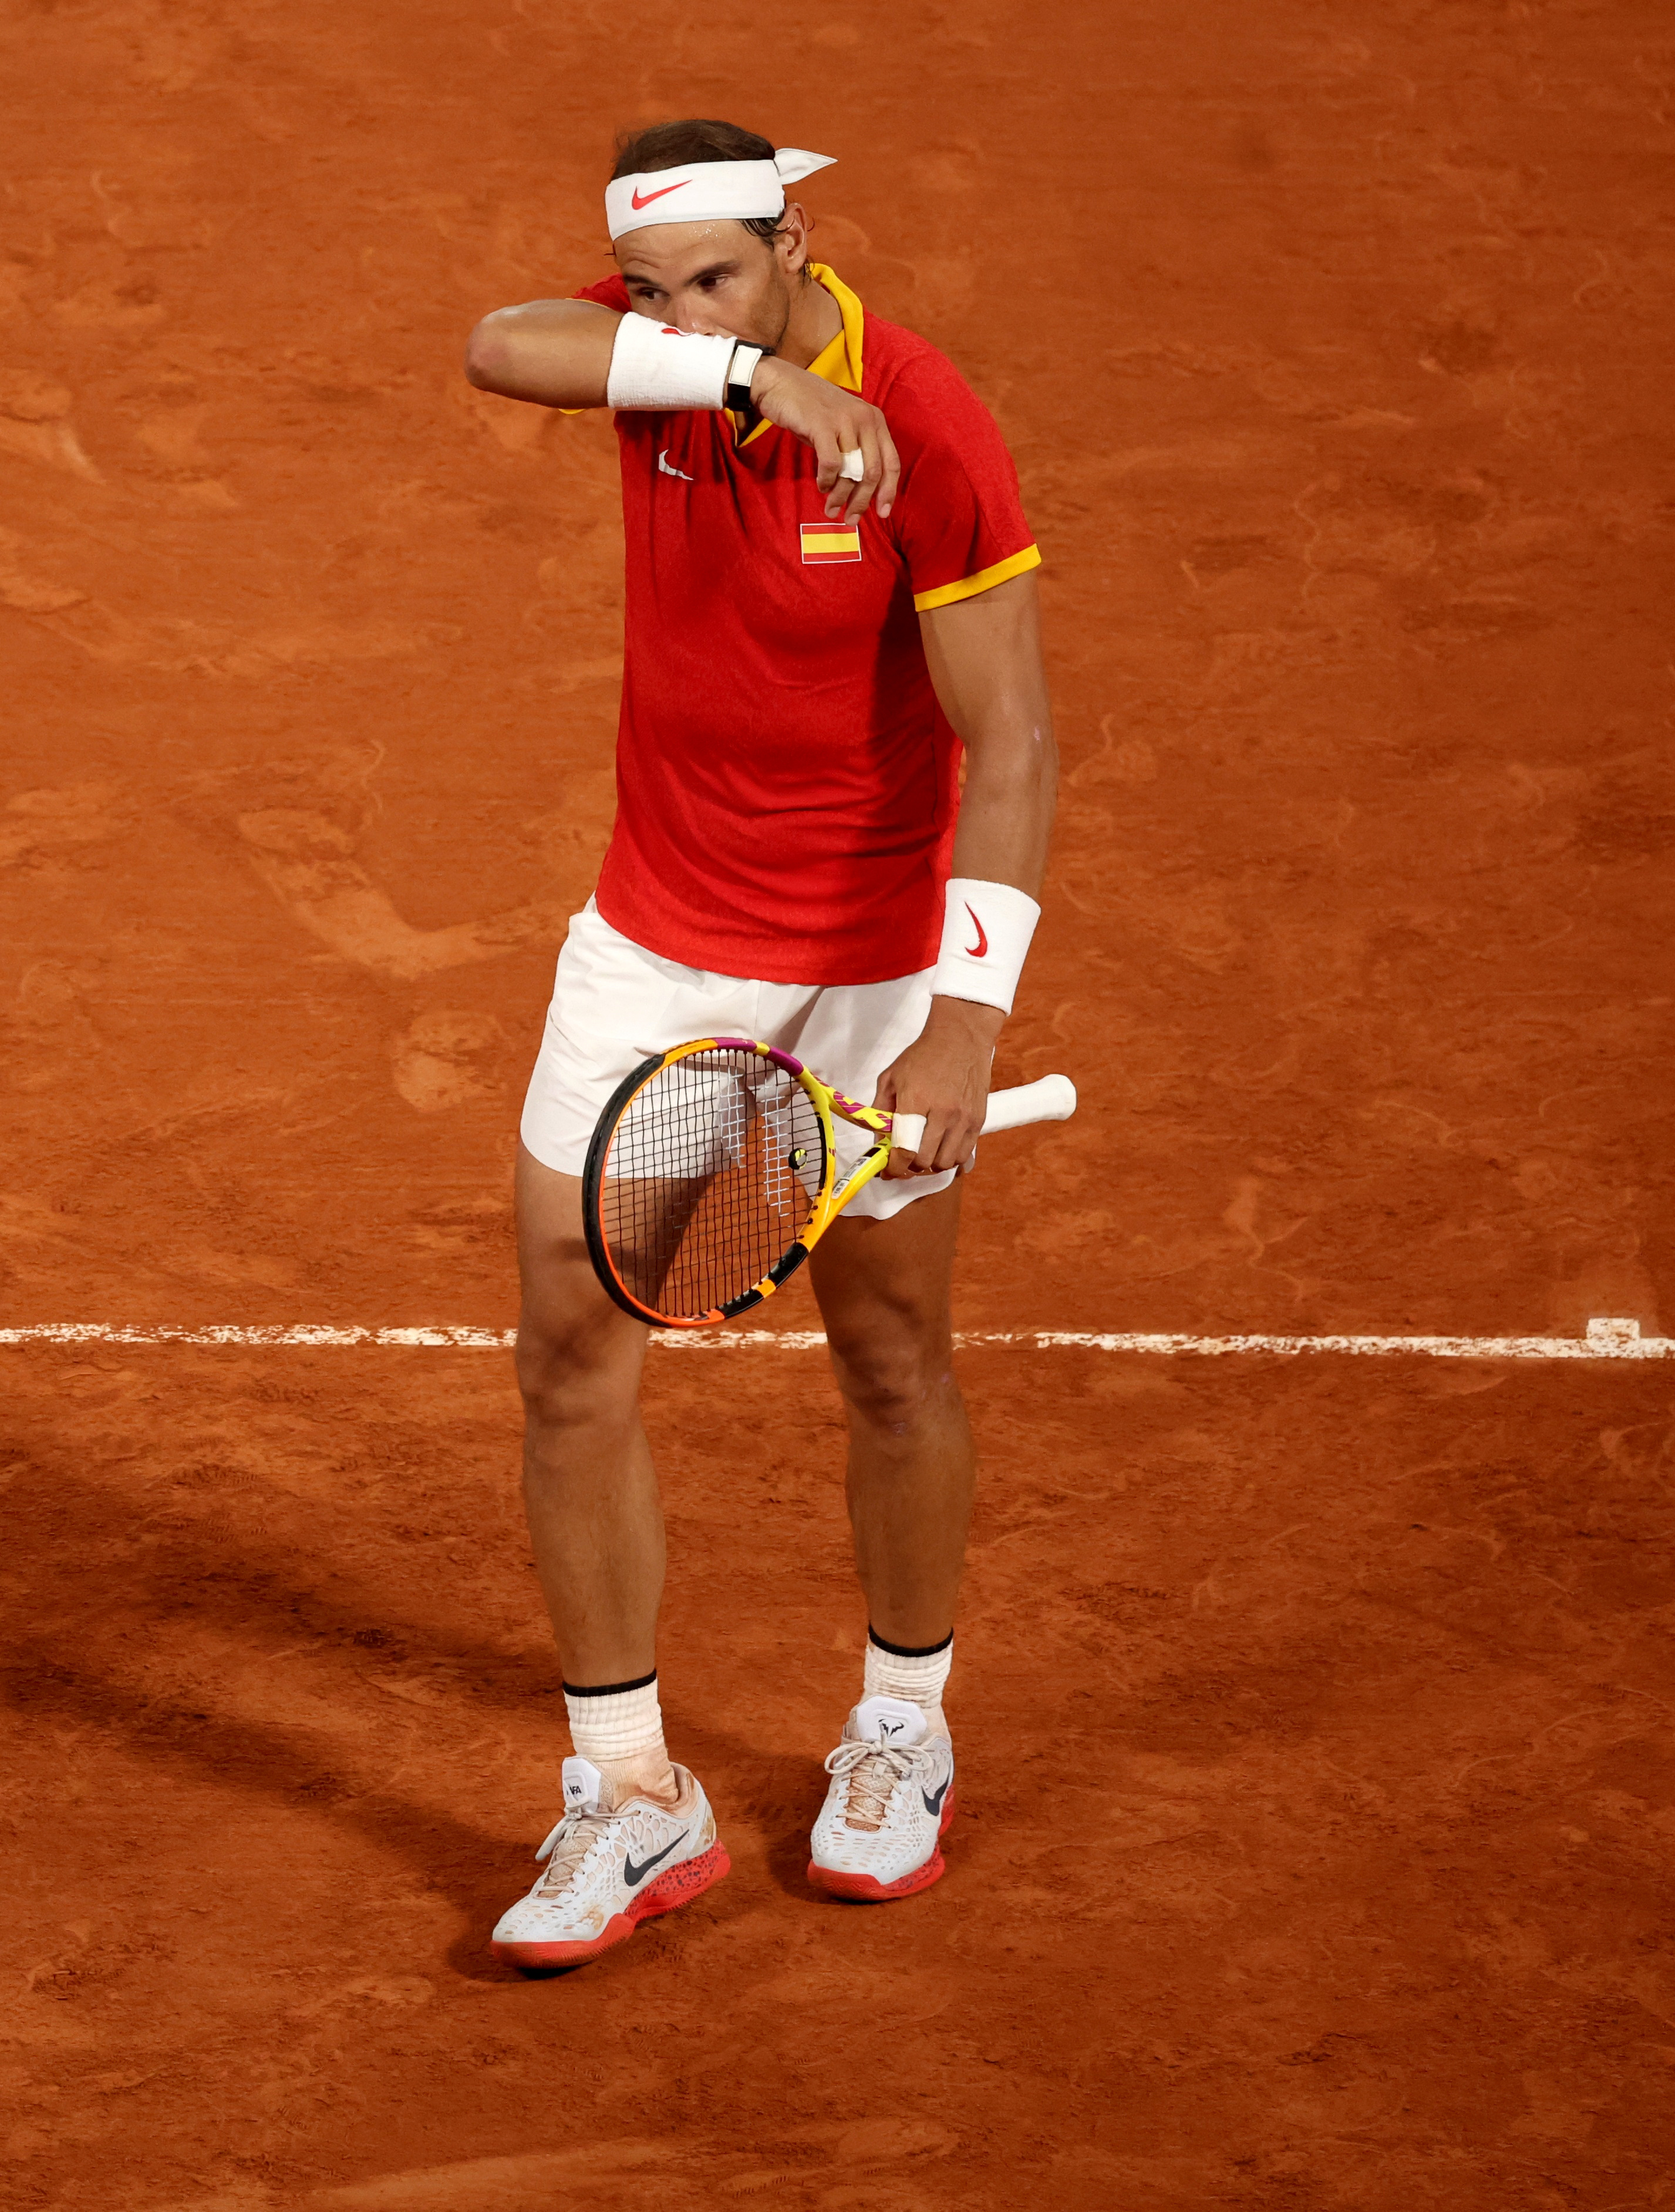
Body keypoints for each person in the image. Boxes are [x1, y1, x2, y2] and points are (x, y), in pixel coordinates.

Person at [459, 120, 1059, 1969]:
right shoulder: (676, 358)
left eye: (724, 275)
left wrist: (965, 1022)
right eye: (656, 287)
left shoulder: (930, 424)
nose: (676, 307)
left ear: (799, 243)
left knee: (888, 1349)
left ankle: (901, 1727)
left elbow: (1015, 747)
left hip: (878, 957)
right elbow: (501, 343)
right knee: (570, 1344)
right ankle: (630, 1793)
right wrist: (744, 371)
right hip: (655, 939)